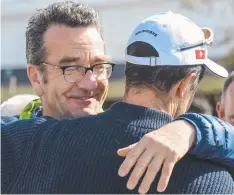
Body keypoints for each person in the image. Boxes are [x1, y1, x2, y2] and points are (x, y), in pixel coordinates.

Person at [2, 11, 234, 194]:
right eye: (70, 68)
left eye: (98, 67)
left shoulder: (28, 145)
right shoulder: (212, 176)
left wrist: (193, 129)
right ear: (185, 85)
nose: (90, 83)